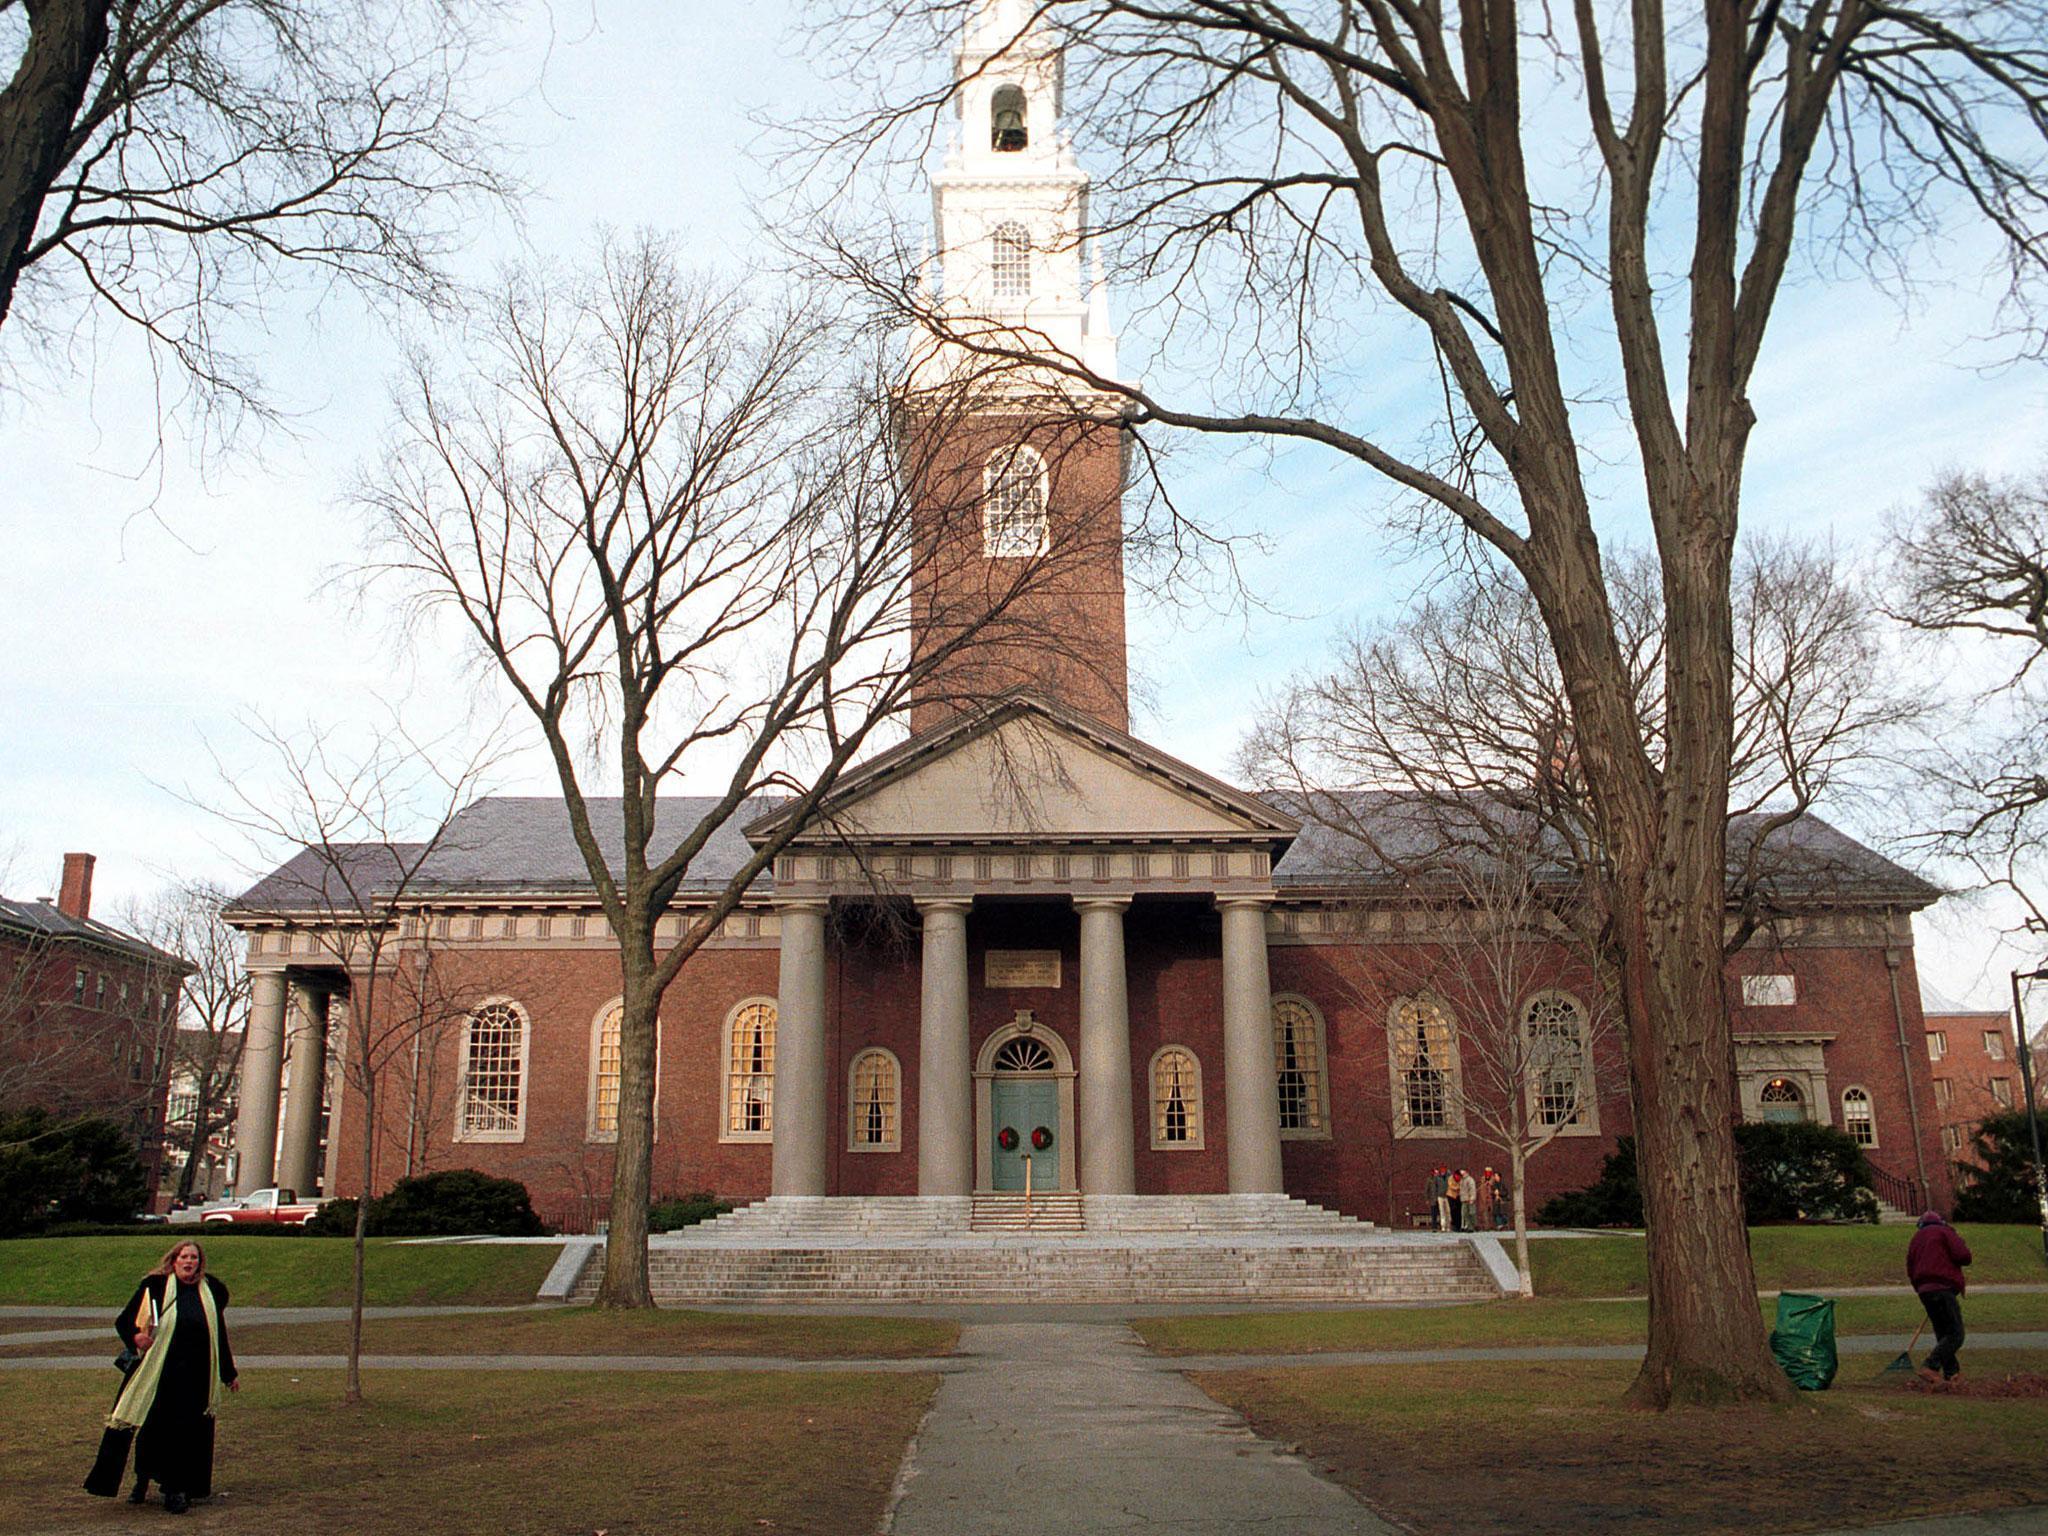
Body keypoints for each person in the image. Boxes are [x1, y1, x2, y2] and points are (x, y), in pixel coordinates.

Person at [85, 1239, 239, 1513]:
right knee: (153, 1429)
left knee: (187, 1433)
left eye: (194, 1257)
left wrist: (228, 1373)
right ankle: (143, 1480)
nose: (189, 1262)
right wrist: (136, 1337)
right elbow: (124, 1321)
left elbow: (219, 1334)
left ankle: (176, 1489)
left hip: (196, 1376)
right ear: (174, 1260)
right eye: (184, 1257)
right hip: (160, 1373)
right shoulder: (155, 1286)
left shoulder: (210, 1291)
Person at [1906, 1209, 1972, 1384]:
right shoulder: (1945, 1232)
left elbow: (1910, 1267)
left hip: (1924, 1290)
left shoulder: (1916, 1238)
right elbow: (1964, 1256)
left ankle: (1952, 1374)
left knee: (1943, 1333)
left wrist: (1920, 1288)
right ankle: (1931, 1365)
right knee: (1956, 1334)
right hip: (1943, 1288)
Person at [1427, 1167, 1449, 1232]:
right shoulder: (1430, 1180)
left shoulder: (1440, 1179)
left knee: (1444, 1212)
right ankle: (1435, 1227)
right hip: (1434, 1199)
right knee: (1434, 1213)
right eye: (1435, 1173)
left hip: (1440, 1198)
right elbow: (1428, 1190)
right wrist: (1428, 1199)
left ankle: (1444, 1226)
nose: (1436, 1174)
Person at [1447, 1168, 1465, 1233]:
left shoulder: (1461, 1179)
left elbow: (1462, 1185)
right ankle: (1454, 1225)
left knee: (1459, 1211)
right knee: (1453, 1210)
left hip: (1458, 1196)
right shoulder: (1450, 1178)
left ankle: (1459, 1225)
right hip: (1451, 1196)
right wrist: (1458, 1187)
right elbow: (1451, 1186)